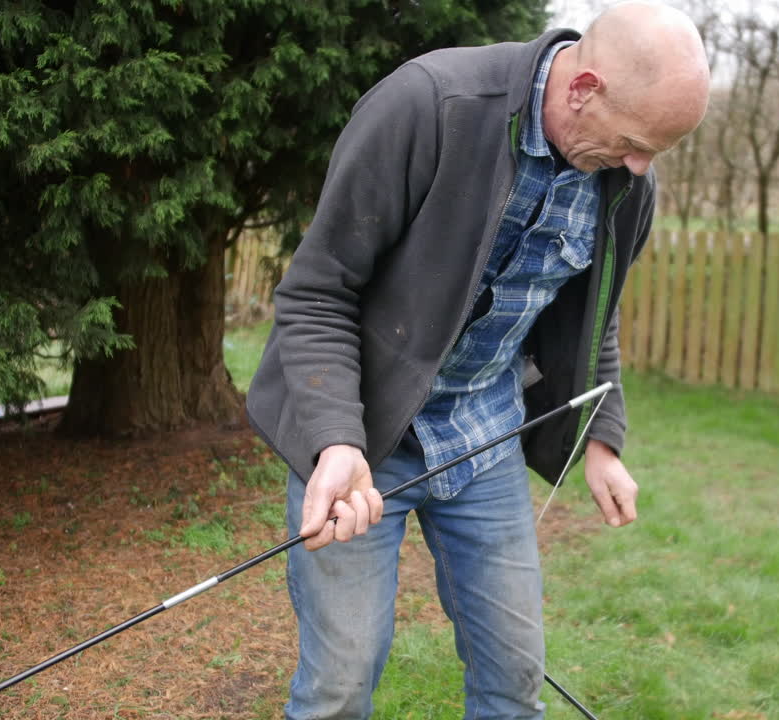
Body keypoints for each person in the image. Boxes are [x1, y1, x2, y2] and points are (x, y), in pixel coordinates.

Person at [246, 3, 710, 717]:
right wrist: (334, 439)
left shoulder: (625, 185)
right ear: (583, 89)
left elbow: (594, 312)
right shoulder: (430, 106)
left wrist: (602, 440)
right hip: (364, 440)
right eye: (635, 142)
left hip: (484, 436)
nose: (641, 167)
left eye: (656, 152)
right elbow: (317, 293)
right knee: (338, 687)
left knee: (516, 679)